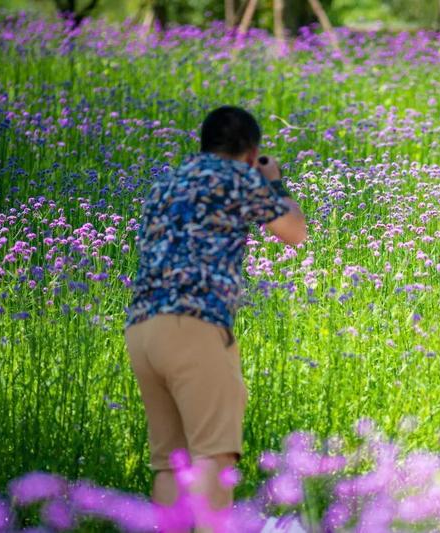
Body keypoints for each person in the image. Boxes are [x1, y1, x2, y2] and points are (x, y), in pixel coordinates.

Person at [123, 105, 307, 526]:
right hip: (195, 325)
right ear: (250, 151)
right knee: (213, 456)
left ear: (204, 145)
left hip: (143, 329)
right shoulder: (239, 177)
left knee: (171, 463)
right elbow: (294, 232)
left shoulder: (166, 183)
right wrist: (274, 182)